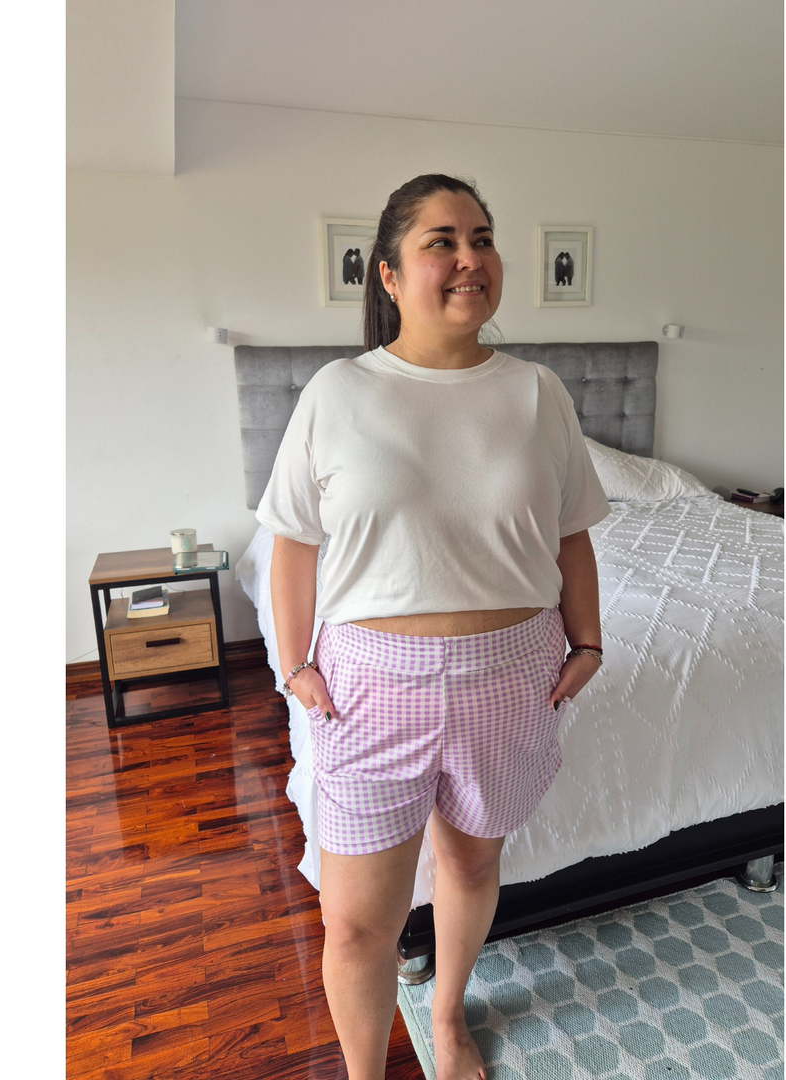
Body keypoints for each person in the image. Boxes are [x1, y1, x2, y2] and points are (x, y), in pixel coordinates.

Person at [256, 174, 609, 1080]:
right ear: (388, 273)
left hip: (511, 670)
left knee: (471, 869)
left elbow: (571, 531)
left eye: (482, 238)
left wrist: (589, 640)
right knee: (356, 925)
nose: (470, 258)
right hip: (371, 686)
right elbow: (292, 542)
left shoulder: (538, 392)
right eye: (442, 241)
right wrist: (295, 665)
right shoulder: (337, 392)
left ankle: (447, 1017)